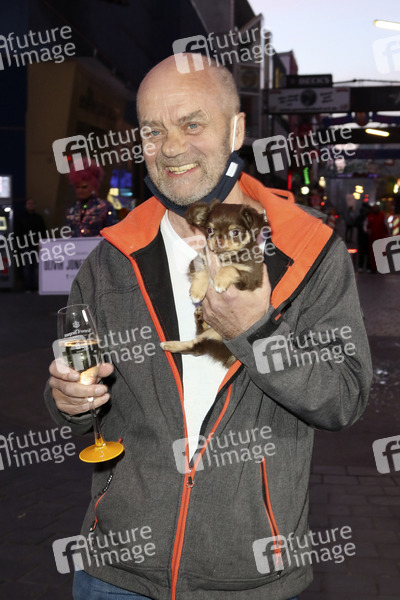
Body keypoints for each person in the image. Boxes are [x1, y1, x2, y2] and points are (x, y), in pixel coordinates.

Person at [45, 55, 372, 600]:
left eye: (192, 124)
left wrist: (258, 332)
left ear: (236, 130)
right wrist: (69, 402)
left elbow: (344, 398)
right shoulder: (111, 258)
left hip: (250, 577)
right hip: (115, 572)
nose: (171, 147)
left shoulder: (309, 250)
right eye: (153, 131)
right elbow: (77, 405)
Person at [66, 159, 117, 236]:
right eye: (77, 187)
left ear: (93, 186)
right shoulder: (72, 209)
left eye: (84, 187)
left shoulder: (105, 207)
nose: (80, 190)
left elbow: (111, 233)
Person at [16, 197, 46, 291]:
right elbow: (18, 232)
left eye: (32, 204)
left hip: (36, 246)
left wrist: (42, 243)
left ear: (35, 205)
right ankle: (27, 287)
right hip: (25, 246)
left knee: (36, 267)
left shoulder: (39, 218)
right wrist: (20, 244)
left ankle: (35, 286)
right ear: (26, 205)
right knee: (27, 266)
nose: (31, 205)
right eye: (29, 203)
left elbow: (43, 232)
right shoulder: (21, 218)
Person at [366, 203, 389, 273]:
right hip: (372, 238)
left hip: (381, 237)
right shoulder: (370, 216)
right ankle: (373, 268)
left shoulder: (382, 216)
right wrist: (367, 231)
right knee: (373, 253)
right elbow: (366, 226)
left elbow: (386, 225)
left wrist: (388, 234)